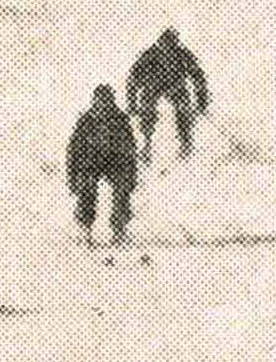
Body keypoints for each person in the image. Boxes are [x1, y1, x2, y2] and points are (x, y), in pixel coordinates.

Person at [66, 85, 138, 244]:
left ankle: (120, 230)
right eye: (100, 101)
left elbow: (130, 148)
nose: (103, 105)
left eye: (107, 101)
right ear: (94, 101)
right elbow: (74, 150)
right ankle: (86, 229)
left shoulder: (120, 119)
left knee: (122, 187)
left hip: (116, 163)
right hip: (91, 162)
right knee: (87, 186)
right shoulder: (86, 120)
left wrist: (131, 176)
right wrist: (72, 179)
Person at [125, 26, 210, 161]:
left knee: (183, 108)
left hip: (176, 87)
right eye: (165, 46)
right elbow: (133, 79)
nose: (168, 49)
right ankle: (146, 144)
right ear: (160, 44)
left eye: (171, 46)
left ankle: (186, 144)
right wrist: (132, 103)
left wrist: (201, 102)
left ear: (175, 44)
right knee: (147, 109)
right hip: (153, 87)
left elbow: (198, 77)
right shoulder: (150, 55)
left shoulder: (182, 54)